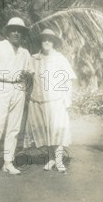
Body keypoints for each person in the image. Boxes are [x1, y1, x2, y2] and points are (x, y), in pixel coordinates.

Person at [0, 17, 34, 177]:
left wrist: (28, 93)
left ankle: (8, 162)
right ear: (8, 32)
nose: (16, 33)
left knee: (14, 128)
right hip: (0, 86)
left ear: (22, 34)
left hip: (19, 88)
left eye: (19, 30)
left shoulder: (25, 53)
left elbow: (30, 75)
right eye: (13, 30)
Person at [25, 29, 76, 173]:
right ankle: (50, 158)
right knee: (43, 130)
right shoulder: (33, 59)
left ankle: (59, 160)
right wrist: (28, 95)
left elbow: (68, 80)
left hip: (56, 101)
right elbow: (28, 79)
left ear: (53, 42)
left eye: (49, 39)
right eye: (44, 39)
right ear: (40, 42)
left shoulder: (60, 58)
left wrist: (67, 99)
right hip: (37, 100)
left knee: (58, 130)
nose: (46, 42)